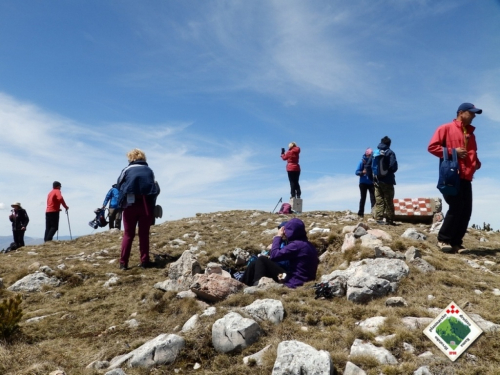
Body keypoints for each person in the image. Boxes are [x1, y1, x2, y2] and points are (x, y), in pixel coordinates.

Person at [428, 103, 482, 253]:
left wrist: (476, 163)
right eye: (471, 113)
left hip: (467, 177)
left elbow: (472, 153)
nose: (473, 116)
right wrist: (453, 151)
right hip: (451, 176)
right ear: (461, 113)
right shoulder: (445, 128)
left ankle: (456, 242)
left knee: (466, 211)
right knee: (456, 206)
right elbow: (432, 147)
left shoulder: (471, 134)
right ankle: (443, 239)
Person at [241, 218, 318, 288]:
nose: (285, 232)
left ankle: (258, 286)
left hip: (295, 282)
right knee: (255, 263)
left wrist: (278, 237)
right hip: (300, 279)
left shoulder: (296, 245)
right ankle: (241, 284)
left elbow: (274, 256)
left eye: (287, 230)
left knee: (261, 260)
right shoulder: (306, 244)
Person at [116, 148, 159, 270]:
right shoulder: (149, 170)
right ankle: (145, 261)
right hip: (146, 205)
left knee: (128, 235)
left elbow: (119, 184)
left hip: (130, 206)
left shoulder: (126, 170)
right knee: (144, 234)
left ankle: (123, 263)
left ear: (131, 158)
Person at [373, 136, 398, 225]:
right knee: (388, 200)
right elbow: (393, 167)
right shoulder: (390, 153)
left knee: (379, 200)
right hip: (387, 180)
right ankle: (389, 220)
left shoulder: (376, 152)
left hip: (377, 180)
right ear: (389, 144)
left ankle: (379, 218)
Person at [355, 148, 376, 219]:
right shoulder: (361, 162)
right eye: (370, 155)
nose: (371, 156)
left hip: (371, 182)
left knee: (373, 198)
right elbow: (356, 172)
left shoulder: (373, 162)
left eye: (371, 155)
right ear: (367, 154)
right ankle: (361, 213)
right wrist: (362, 172)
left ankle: (374, 214)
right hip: (363, 183)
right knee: (363, 198)